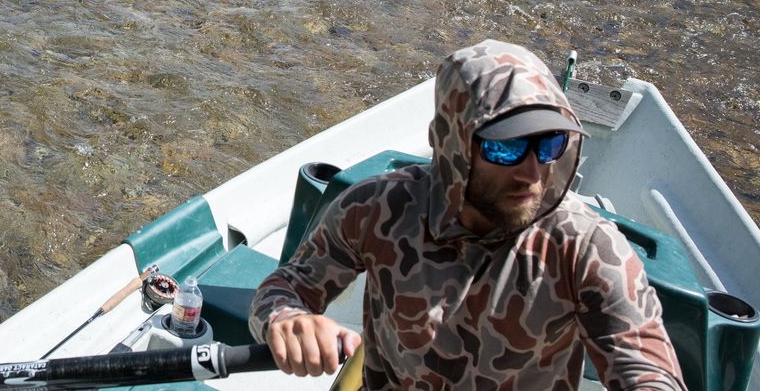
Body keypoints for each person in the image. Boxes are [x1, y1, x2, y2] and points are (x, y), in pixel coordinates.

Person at [249, 39, 687, 391]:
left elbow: (648, 369)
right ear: (455, 146)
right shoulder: (376, 209)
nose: (532, 172)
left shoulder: (585, 246)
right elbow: (286, 287)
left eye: (549, 144)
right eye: (506, 146)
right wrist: (287, 321)